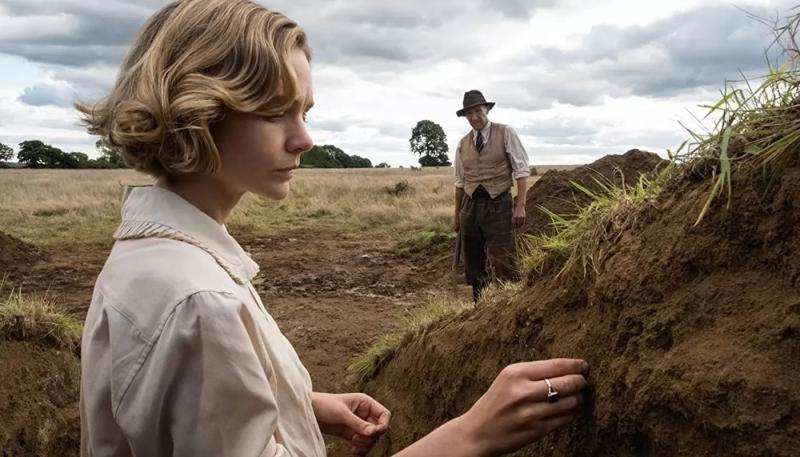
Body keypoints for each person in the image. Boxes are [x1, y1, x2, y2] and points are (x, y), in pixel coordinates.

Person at [77, 1, 589, 456]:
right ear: (197, 108)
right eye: (275, 111)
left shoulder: (149, 256)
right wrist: (471, 436)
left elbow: (176, 411)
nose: (304, 139)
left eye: (304, 111)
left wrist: (300, 404)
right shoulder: (198, 303)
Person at [453, 90, 531, 303]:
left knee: (504, 257)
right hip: (470, 207)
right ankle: (479, 306)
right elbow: (460, 183)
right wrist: (457, 216)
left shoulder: (505, 133)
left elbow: (521, 171)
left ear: (486, 110)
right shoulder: (462, 143)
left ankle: (510, 303)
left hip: (499, 204)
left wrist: (520, 205)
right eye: (469, 114)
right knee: (473, 260)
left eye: (478, 111)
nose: (474, 117)